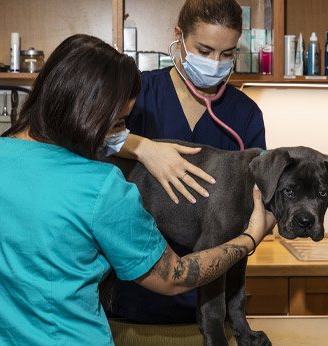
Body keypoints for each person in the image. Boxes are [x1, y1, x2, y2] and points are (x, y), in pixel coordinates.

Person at [0, 34, 274, 345]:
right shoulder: (100, 188)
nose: (122, 134)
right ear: (86, 114)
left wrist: (140, 147)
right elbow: (174, 275)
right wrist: (249, 238)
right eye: (117, 123)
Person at [106, 0, 267, 324]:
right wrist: (143, 148)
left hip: (212, 295)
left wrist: (260, 228)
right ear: (179, 37)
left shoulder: (245, 115)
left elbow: (265, 194)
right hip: (133, 295)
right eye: (204, 51)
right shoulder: (137, 92)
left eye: (226, 54)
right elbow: (86, 141)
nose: (215, 63)